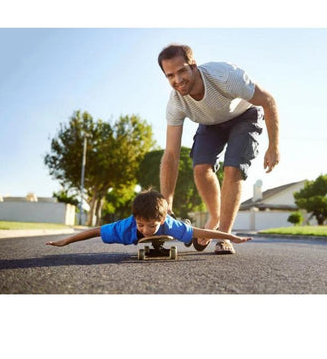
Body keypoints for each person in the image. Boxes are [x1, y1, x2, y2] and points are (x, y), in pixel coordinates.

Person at [158, 44, 279, 255]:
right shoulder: (176, 103)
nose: (177, 80)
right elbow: (171, 155)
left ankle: (224, 235)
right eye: (170, 76)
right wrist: (166, 200)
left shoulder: (226, 76)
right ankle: (214, 217)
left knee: (232, 169)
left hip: (244, 116)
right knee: (200, 167)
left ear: (193, 66)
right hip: (211, 123)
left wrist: (274, 146)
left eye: (182, 71)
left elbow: (268, 101)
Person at [46, 189, 252, 249]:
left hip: (174, 226)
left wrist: (230, 237)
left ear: (161, 221)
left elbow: (204, 232)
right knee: (185, 235)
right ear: (134, 218)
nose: (145, 229)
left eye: (151, 225)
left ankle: (187, 233)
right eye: (141, 224)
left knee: (191, 236)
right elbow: (97, 230)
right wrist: (66, 241)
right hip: (154, 223)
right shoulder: (126, 227)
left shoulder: (169, 225)